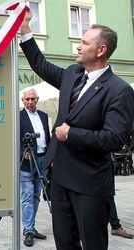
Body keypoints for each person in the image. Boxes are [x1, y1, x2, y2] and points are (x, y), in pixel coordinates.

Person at [19, 9, 134, 249]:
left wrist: (70, 134)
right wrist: (26, 29)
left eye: (84, 42)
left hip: (89, 183)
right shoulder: (73, 74)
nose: (78, 47)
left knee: (93, 243)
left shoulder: (119, 90)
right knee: (64, 241)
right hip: (60, 178)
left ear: (101, 50)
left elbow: (115, 138)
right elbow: (41, 65)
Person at [19, 87, 50, 247]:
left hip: (43, 159)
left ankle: (31, 226)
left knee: (37, 195)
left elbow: (48, 138)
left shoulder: (44, 116)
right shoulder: (18, 117)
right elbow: (14, 140)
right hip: (26, 162)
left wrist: (51, 158)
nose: (30, 102)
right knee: (27, 196)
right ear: (22, 101)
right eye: (27, 99)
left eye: (33, 99)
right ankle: (28, 230)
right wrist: (23, 151)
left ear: (37, 99)